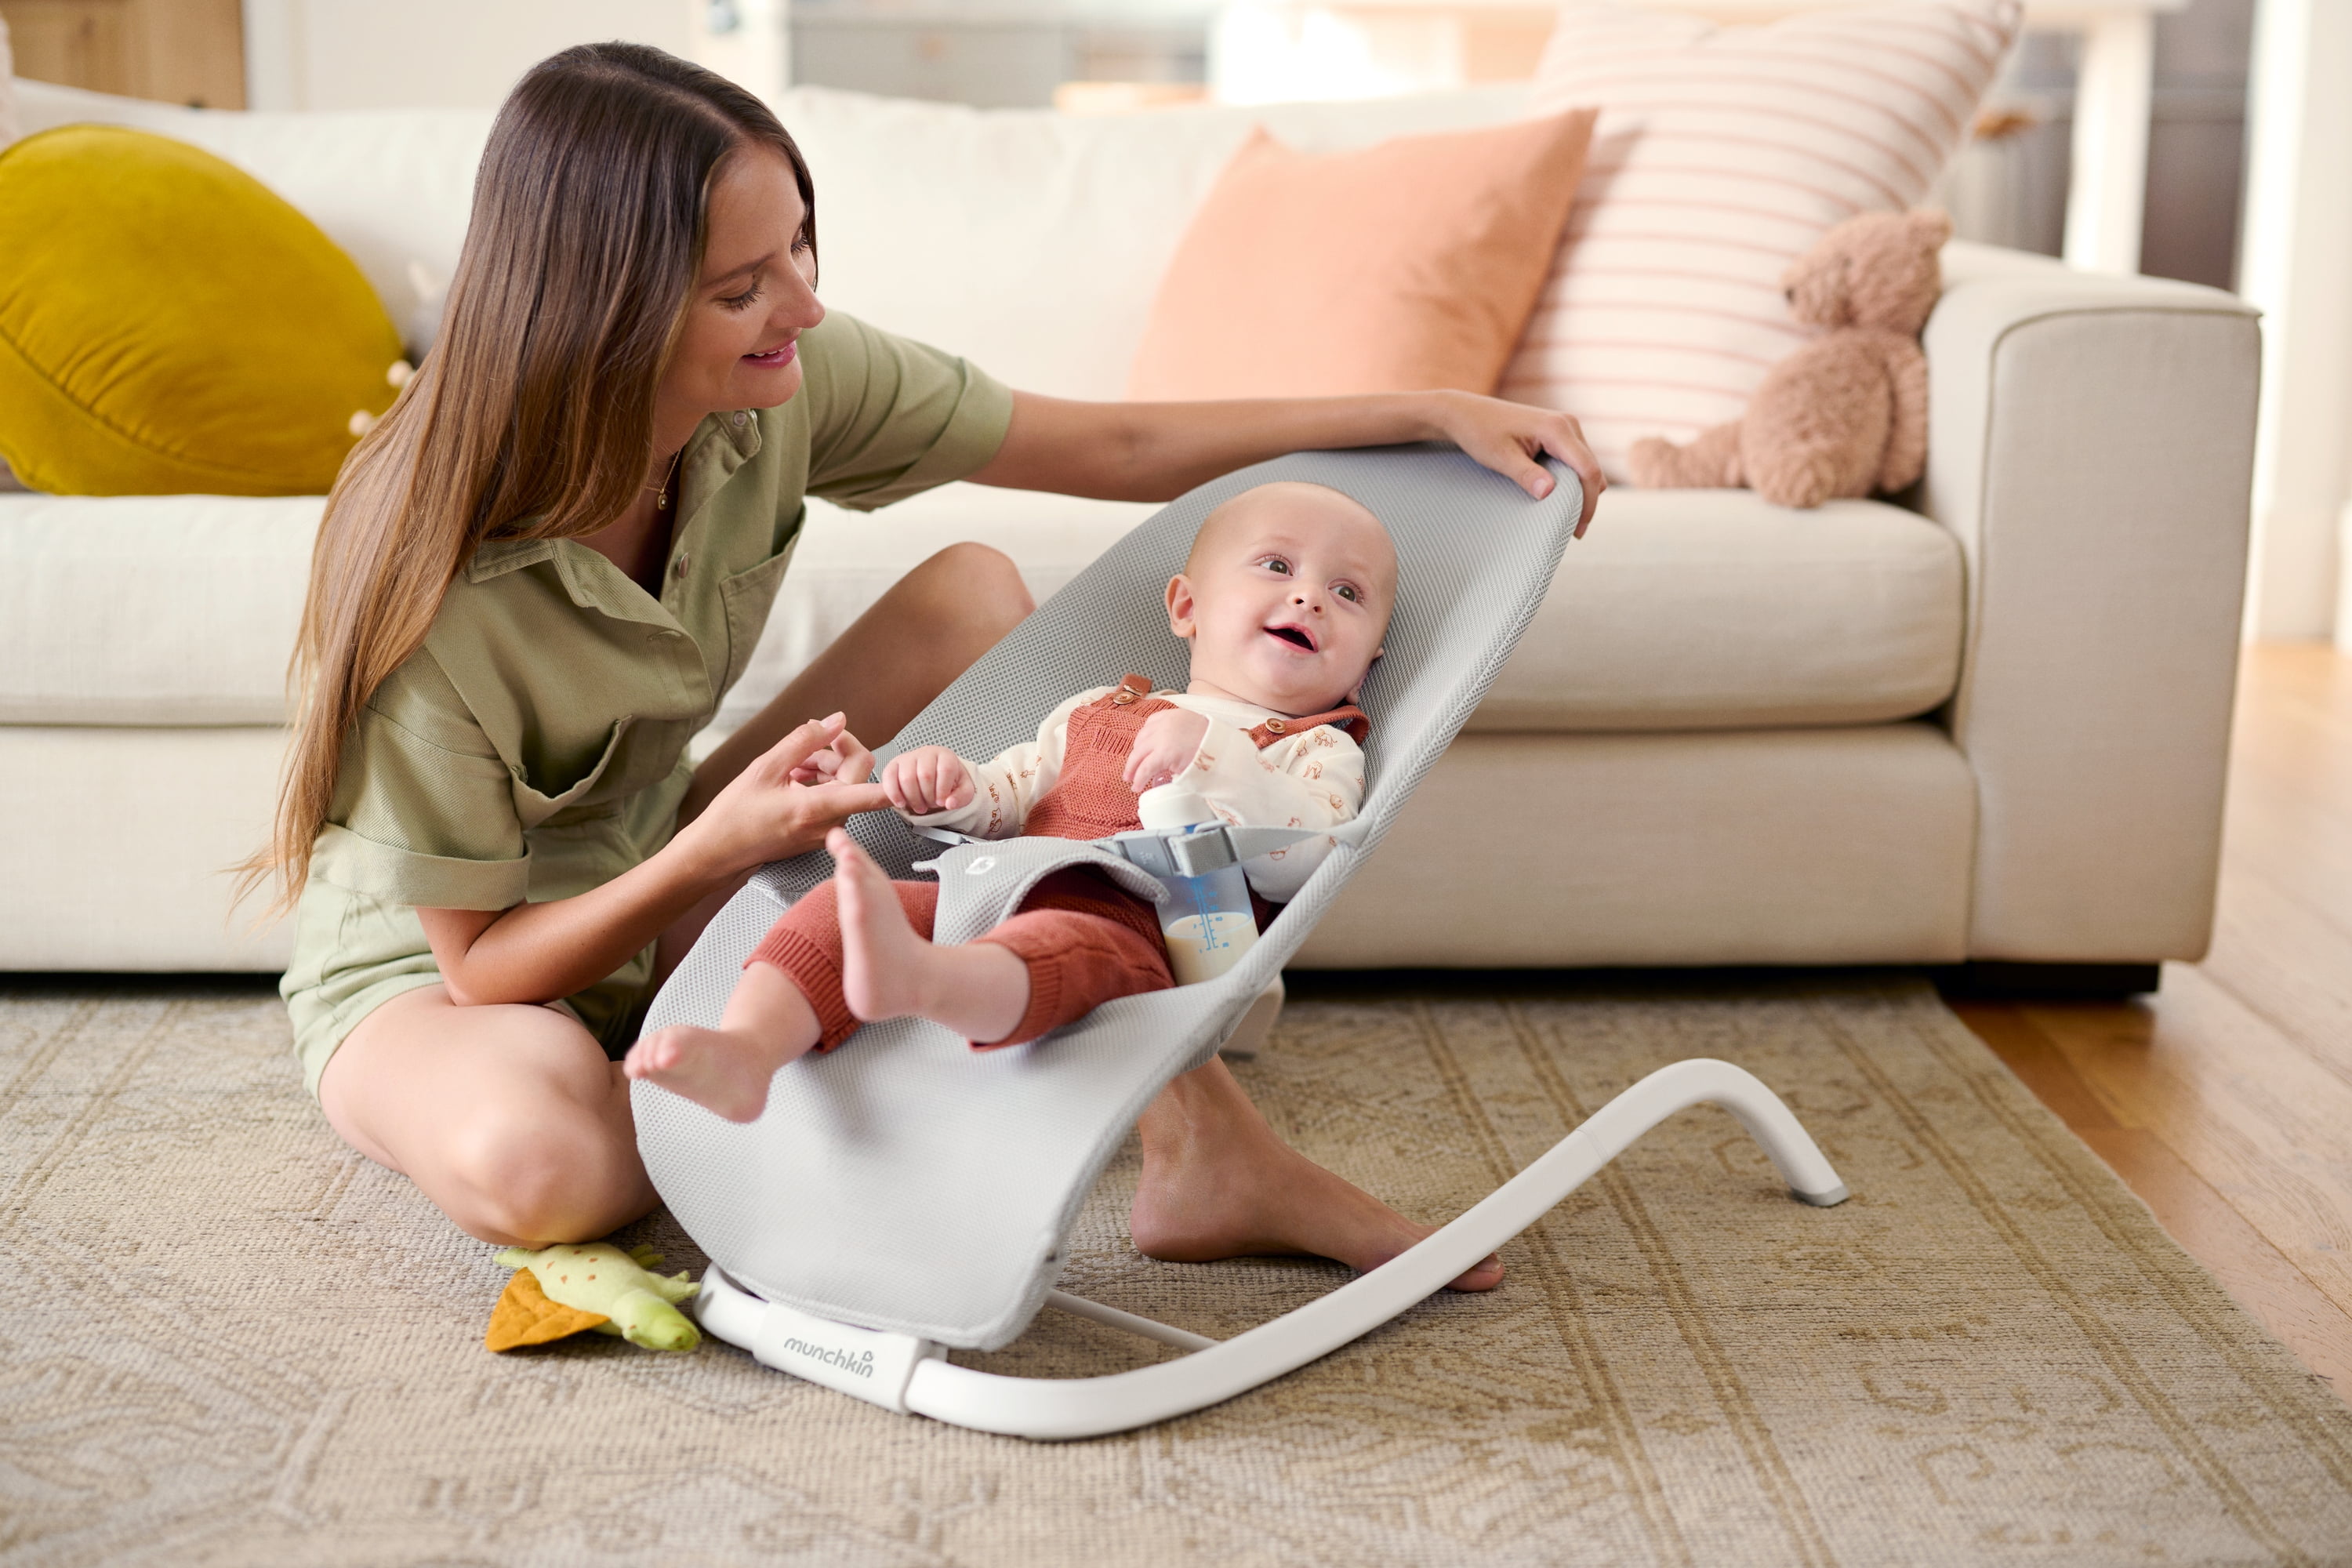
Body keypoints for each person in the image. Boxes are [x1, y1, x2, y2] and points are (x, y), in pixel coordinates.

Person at [254, 42, 1602, 1294]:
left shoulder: (782, 378)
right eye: (742, 287)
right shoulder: (433, 567)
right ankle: (839, 1042)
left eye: (798, 245)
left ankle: (1188, 1130)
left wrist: (1420, 407)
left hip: (660, 862)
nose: (804, 304)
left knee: (973, 597)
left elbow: (1114, 449)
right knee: (550, 1169)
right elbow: (483, 968)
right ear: (605, 313)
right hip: (447, 973)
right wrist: (714, 850)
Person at [623, 480, 1386, 1119]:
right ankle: (747, 1050)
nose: (1309, 596)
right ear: (1187, 608)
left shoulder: (1317, 748)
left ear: (1366, 664)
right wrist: (950, 786)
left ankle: (919, 979)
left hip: (1135, 931)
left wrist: (1214, 754)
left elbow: (1306, 858)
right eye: (1277, 565)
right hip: (987, 887)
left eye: (1347, 592)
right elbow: (1010, 794)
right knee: (828, 910)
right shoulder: (1100, 707)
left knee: (1053, 949)